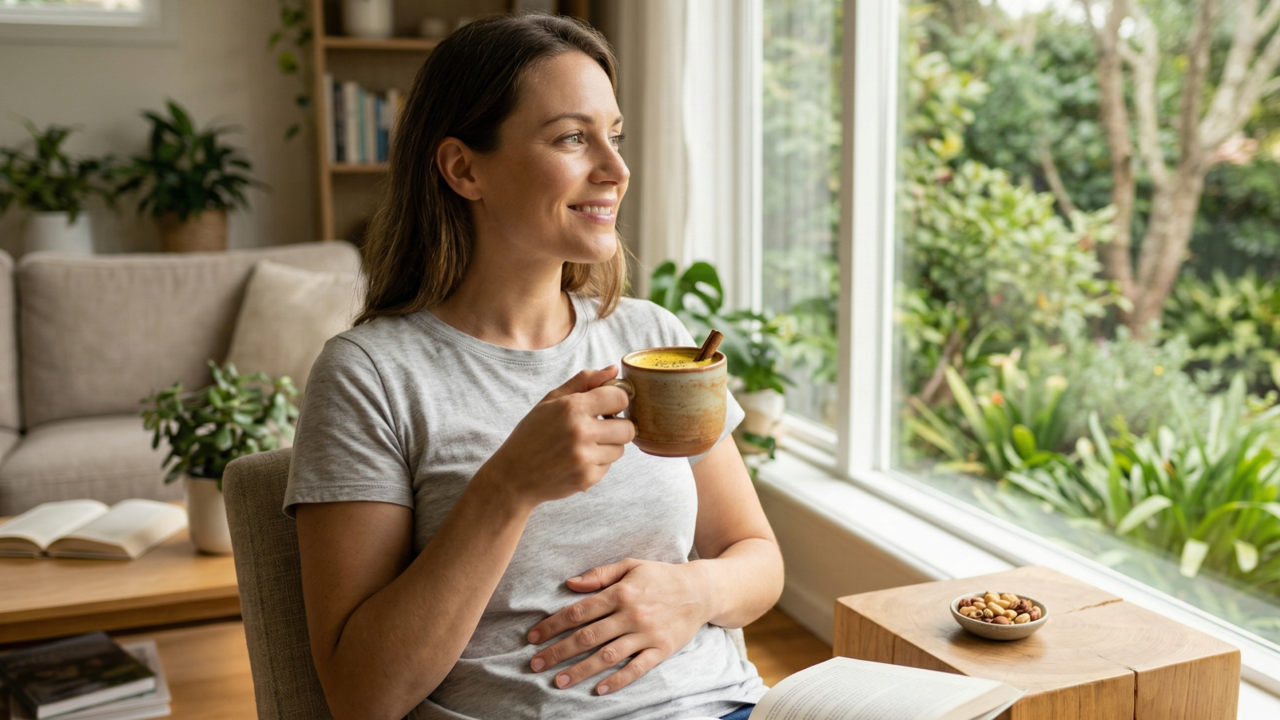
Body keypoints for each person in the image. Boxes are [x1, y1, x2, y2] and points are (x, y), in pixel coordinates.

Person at [285, 13, 784, 720]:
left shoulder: (652, 337)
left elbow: (756, 555)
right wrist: (508, 488)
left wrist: (693, 592)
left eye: (614, 136)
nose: (616, 170)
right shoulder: (370, 375)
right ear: (464, 168)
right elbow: (362, 695)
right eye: (573, 138)